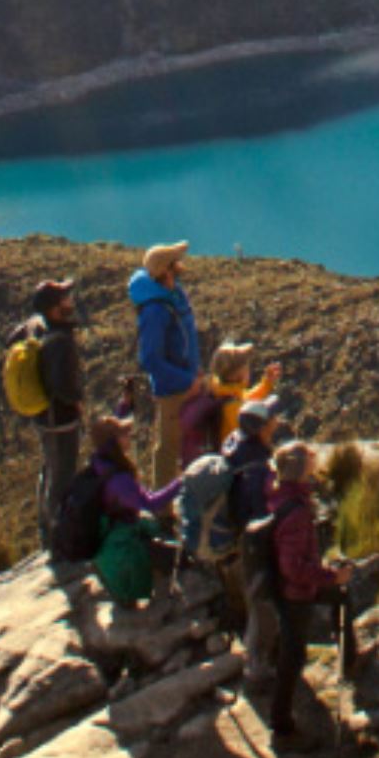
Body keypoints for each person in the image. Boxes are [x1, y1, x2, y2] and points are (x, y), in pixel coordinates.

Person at [269, 441, 353, 750]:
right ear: (302, 469)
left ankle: (349, 661)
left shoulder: (280, 497)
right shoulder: (297, 511)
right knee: (292, 658)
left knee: (340, 600)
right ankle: (282, 729)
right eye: (311, 463)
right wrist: (332, 576)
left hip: (290, 588)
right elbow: (293, 567)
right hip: (297, 593)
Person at [9, 278, 84, 549]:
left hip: (43, 417)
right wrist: (76, 401)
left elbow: (12, 340)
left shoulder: (36, 327)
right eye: (65, 297)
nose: (70, 300)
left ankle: (46, 528)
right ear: (55, 308)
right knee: (63, 473)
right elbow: (61, 385)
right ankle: (58, 540)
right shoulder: (60, 340)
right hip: (59, 419)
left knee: (50, 468)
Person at [89, 407, 185, 605]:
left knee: (155, 530)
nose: (129, 437)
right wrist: (182, 481)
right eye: (124, 434)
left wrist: (124, 405)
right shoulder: (120, 481)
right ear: (114, 442)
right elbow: (152, 503)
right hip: (122, 550)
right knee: (176, 556)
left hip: (108, 545)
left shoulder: (100, 465)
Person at [128, 240, 203, 487]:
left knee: (189, 442)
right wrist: (185, 381)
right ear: (165, 271)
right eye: (175, 263)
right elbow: (150, 358)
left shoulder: (174, 296)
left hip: (189, 382)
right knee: (168, 448)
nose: (181, 266)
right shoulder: (156, 310)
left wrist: (196, 373)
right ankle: (162, 508)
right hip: (173, 390)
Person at [224, 398, 282, 690]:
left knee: (255, 601)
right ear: (260, 427)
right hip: (254, 544)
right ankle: (256, 668)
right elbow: (258, 511)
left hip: (239, 538)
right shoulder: (256, 466)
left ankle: (259, 658)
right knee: (262, 604)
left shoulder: (234, 443)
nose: (277, 420)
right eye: (271, 417)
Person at [208, 341, 281, 450]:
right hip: (235, 457)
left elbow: (248, 398)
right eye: (247, 369)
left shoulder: (227, 393)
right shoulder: (231, 406)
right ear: (239, 375)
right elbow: (242, 433)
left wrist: (266, 383)